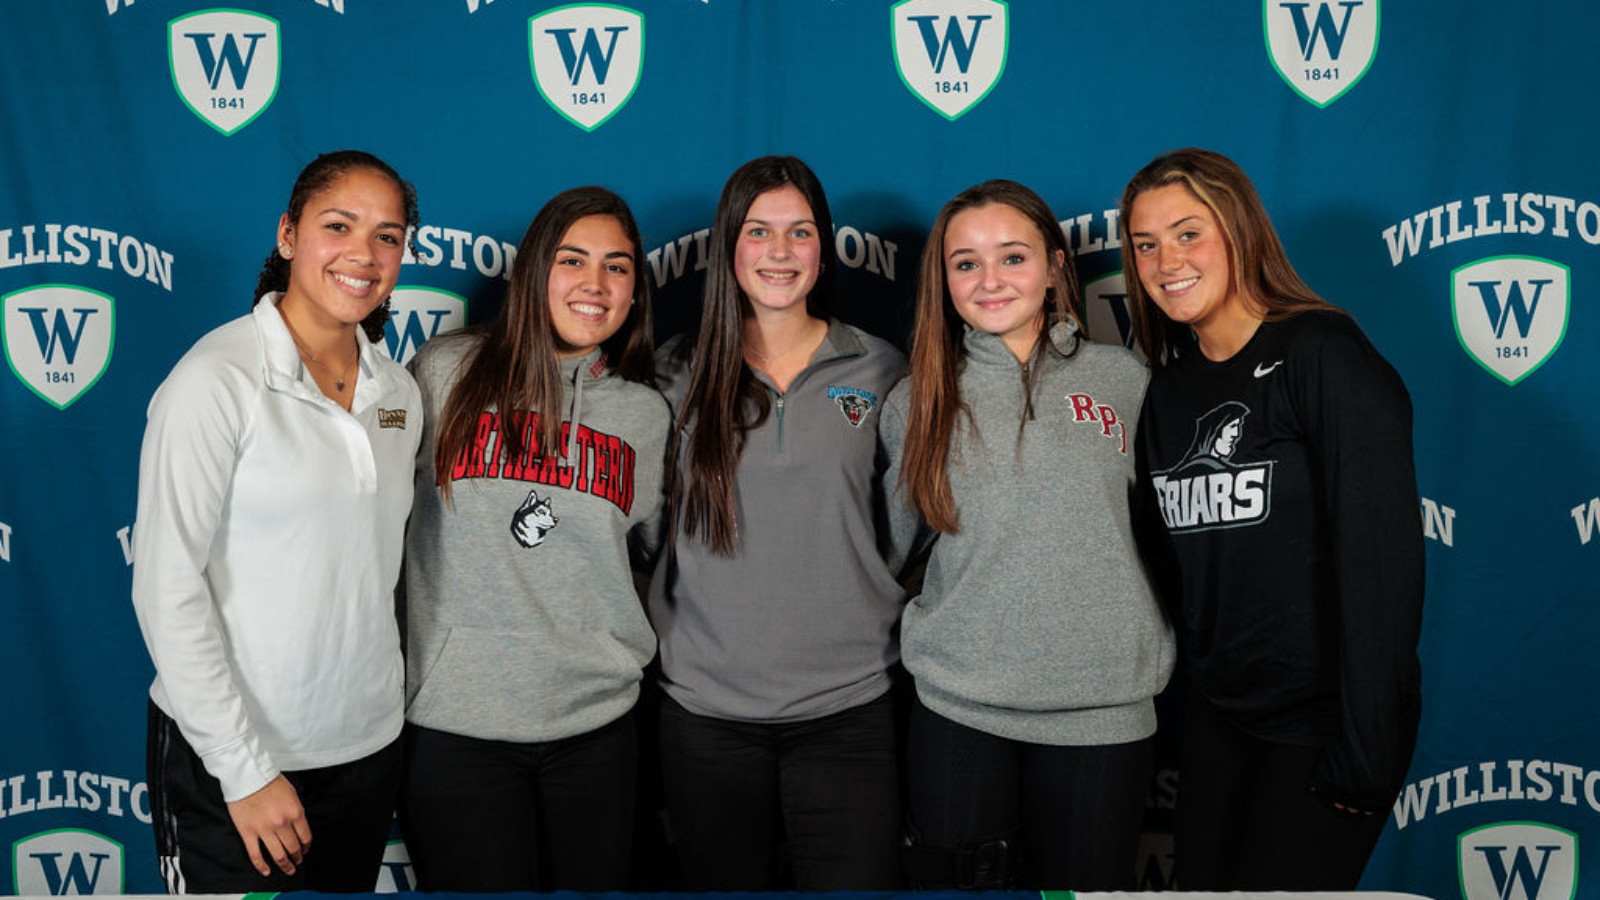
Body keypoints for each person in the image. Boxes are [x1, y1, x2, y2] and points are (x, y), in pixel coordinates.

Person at [1120, 147, 1423, 890]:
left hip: (1323, 722)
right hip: (1222, 717)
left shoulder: (1321, 352)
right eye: (1146, 244)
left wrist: (1367, 747)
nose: (1167, 262)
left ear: (1240, 231)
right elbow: (1174, 571)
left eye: (1188, 234)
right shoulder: (1169, 391)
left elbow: (1381, 566)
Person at [131, 149, 423, 893]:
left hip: (364, 751)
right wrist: (245, 770)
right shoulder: (216, 380)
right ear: (288, 235)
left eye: (387, 236)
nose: (364, 254)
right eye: (339, 226)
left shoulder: (398, 392)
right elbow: (165, 588)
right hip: (234, 762)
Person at [880, 180, 1173, 891]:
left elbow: (1168, 539)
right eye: (966, 263)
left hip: (1101, 710)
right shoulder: (917, 399)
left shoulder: (1125, 380)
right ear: (943, 279)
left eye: (1012, 257)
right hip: (960, 707)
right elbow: (889, 552)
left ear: (1054, 267)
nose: (990, 280)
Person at [397, 186, 670, 891]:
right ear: (534, 272)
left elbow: (658, 559)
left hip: (598, 724)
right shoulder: (444, 372)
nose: (595, 283)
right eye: (572, 260)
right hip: (457, 722)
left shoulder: (644, 415)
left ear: (634, 290)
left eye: (616, 266)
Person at [646, 155, 906, 890]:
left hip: (850, 709)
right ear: (729, 245)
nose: (780, 251)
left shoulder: (881, 369)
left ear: (824, 248)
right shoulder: (672, 375)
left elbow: (913, 527)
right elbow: (640, 531)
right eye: (758, 231)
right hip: (706, 714)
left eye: (800, 231)